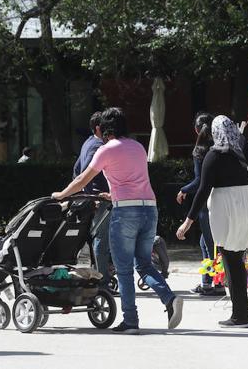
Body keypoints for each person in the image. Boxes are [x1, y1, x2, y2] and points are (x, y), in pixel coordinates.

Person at [52, 107, 183, 334]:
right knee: (143, 264)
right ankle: (169, 298)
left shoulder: (105, 150)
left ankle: (130, 321)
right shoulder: (139, 147)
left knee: (123, 270)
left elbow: (83, 178)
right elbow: (135, 180)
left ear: (104, 128)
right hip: (149, 209)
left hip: (125, 212)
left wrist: (62, 195)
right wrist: (112, 194)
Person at [176, 115, 248, 328]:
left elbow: (202, 190)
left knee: (231, 261)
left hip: (227, 210)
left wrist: (188, 221)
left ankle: (240, 316)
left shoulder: (214, 155)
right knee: (237, 260)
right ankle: (240, 313)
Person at [177, 112, 226, 296]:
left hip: (207, 202)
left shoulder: (200, 150)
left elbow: (199, 181)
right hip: (222, 199)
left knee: (211, 244)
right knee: (207, 243)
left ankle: (217, 285)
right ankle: (207, 282)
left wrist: (184, 189)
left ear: (196, 129)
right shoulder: (221, 147)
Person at [72, 111, 113, 291]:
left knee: (98, 240)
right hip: (100, 199)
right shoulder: (97, 146)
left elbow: (76, 168)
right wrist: (91, 197)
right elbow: (83, 173)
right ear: (99, 128)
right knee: (101, 241)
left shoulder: (88, 142)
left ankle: (101, 275)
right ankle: (102, 282)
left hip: (95, 198)